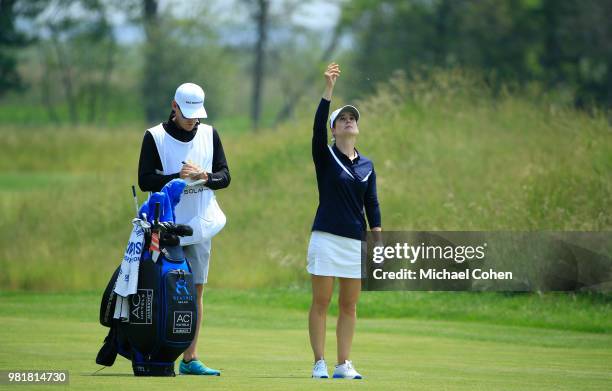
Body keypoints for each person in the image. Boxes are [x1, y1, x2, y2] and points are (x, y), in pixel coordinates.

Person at [138, 82, 230, 376]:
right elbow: (145, 180)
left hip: (199, 226)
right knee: (158, 290)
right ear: (174, 106)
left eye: (196, 114)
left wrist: (205, 176)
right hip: (163, 227)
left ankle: (190, 358)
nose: (192, 120)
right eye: (186, 112)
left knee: (196, 292)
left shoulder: (209, 134)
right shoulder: (154, 136)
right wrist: (176, 177)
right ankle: (155, 353)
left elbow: (225, 176)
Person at [307, 63, 382, 379]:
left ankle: (343, 364)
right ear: (334, 129)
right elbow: (315, 129)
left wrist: (377, 236)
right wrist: (328, 90)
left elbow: (372, 203)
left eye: (352, 119)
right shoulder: (325, 156)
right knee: (322, 302)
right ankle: (319, 362)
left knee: (349, 306)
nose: (349, 122)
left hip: (355, 240)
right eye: (343, 119)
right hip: (326, 237)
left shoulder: (367, 165)